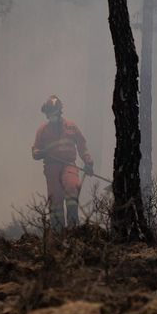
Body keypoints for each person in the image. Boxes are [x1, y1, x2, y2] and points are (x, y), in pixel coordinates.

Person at [31, 95, 93, 228]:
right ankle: (58, 233)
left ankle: (73, 228)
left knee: (72, 188)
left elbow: (82, 146)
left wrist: (88, 162)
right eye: (48, 115)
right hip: (51, 167)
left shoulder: (71, 127)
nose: (50, 117)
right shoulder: (42, 130)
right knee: (55, 199)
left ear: (59, 112)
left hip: (69, 165)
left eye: (52, 114)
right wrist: (39, 153)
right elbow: (35, 150)